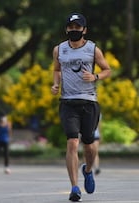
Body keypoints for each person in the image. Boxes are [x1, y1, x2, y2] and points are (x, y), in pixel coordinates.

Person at [51, 13, 111, 202]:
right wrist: (55, 84)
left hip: (89, 102)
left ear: (84, 30)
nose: (74, 30)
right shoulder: (59, 49)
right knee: (72, 142)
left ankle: (87, 170)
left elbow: (107, 70)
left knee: (90, 146)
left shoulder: (93, 49)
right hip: (68, 102)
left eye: (78, 27)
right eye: (71, 27)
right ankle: (74, 188)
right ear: (66, 29)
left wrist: (95, 77)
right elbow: (56, 69)